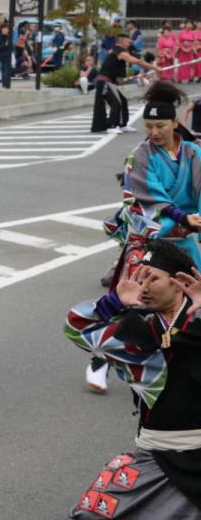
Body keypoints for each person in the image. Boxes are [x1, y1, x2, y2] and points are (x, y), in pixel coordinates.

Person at [63, 240, 201, 520]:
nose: (144, 286)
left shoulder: (195, 322)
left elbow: (182, 346)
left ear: (179, 283)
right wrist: (113, 301)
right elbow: (75, 328)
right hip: (161, 454)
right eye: (140, 278)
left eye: (153, 277)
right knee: (89, 514)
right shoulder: (138, 330)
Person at [91, 81, 201, 394]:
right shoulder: (139, 155)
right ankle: (101, 361)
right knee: (137, 304)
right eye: (148, 125)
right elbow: (142, 198)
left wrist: (198, 221)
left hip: (188, 240)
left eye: (160, 126)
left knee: (193, 300)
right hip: (153, 240)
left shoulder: (194, 153)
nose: (153, 132)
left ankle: (175, 361)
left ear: (175, 122)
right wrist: (182, 218)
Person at [91, 35, 155, 134]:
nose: (129, 44)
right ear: (120, 42)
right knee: (116, 102)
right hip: (104, 81)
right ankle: (112, 126)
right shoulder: (119, 51)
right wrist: (155, 68)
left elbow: (116, 72)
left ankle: (122, 125)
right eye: (127, 42)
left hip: (109, 81)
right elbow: (137, 61)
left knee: (123, 101)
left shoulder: (117, 51)